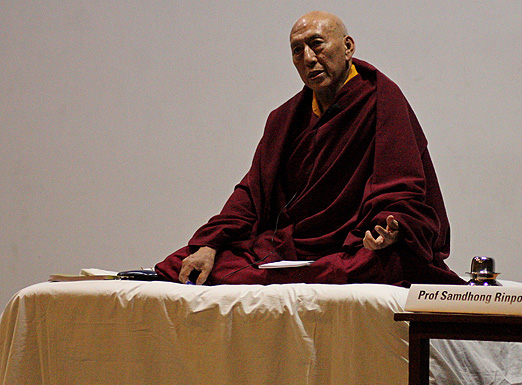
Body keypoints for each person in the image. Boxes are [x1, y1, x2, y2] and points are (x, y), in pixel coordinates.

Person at [155, 11, 464, 287]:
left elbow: (403, 186)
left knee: (387, 263)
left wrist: (390, 227)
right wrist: (210, 243)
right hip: (294, 247)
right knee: (189, 261)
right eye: (296, 51)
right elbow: (252, 193)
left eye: (316, 44)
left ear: (348, 46)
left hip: (353, 245)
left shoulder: (382, 99)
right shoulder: (284, 119)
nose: (308, 58)